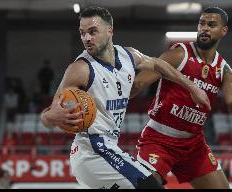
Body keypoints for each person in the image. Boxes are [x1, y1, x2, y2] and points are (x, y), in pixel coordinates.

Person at [39, 6, 210, 189]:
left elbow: (158, 64)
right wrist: (51, 117)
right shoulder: (80, 69)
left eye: (92, 31)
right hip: (91, 152)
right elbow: (47, 116)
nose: (87, 38)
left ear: (110, 31)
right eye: (82, 33)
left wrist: (192, 87)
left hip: (109, 148)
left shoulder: (129, 55)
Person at [131, 7, 232, 189]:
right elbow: (139, 83)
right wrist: (115, 99)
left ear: (223, 31)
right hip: (159, 139)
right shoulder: (179, 54)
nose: (204, 28)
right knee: (145, 187)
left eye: (211, 25)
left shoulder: (225, 71)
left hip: (193, 144)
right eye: (202, 23)